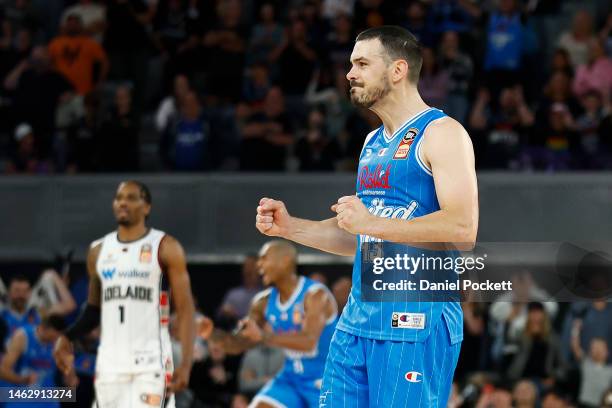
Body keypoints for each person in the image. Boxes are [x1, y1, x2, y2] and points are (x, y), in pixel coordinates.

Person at [255, 26, 478, 407]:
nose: (349, 74)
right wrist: (291, 227)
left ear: (397, 70)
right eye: (350, 64)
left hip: (415, 319)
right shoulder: (372, 142)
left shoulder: (442, 133)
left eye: (361, 63)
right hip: (357, 319)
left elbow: (462, 230)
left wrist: (371, 223)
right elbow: (357, 236)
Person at [53, 181, 196, 408]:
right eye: (119, 198)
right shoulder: (98, 251)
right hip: (110, 362)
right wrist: (67, 336)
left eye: (131, 198)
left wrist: (186, 364)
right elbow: (93, 310)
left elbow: (186, 310)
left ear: (147, 207)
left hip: (151, 362)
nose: (123, 203)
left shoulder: (166, 247)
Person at [211, 240, 338, 408]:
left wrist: (263, 336)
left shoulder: (316, 295)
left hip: (326, 381)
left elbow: (309, 342)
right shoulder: (262, 302)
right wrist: (212, 334)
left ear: (285, 260)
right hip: (290, 379)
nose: (258, 265)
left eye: (264, 258)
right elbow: (242, 342)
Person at [0, 315, 77, 408]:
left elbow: (71, 380)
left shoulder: (60, 343)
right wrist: (22, 380)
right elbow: (2, 371)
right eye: (55, 336)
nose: (56, 340)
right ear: (45, 328)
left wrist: (70, 380)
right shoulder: (23, 336)